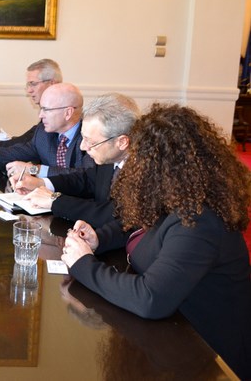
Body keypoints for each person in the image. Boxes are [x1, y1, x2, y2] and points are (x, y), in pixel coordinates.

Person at [62, 103, 251, 379]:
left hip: (211, 353)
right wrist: (98, 238)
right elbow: (135, 226)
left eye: (140, 157)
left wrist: (83, 264)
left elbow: (150, 299)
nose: (134, 165)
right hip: (175, 333)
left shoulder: (199, 220)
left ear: (162, 166)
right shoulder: (176, 197)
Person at [15, 93, 140, 228]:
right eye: (83, 138)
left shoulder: (145, 170)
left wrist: (55, 201)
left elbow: (115, 214)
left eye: (90, 142)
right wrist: (41, 183)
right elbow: (86, 180)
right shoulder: (110, 156)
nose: (82, 147)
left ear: (122, 142)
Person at [0, 83, 94, 176]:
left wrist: (35, 170)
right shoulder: (43, 134)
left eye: (46, 110)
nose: (40, 115)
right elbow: (7, 153)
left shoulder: (90, 137)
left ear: (68, 113)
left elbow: (84, 176)